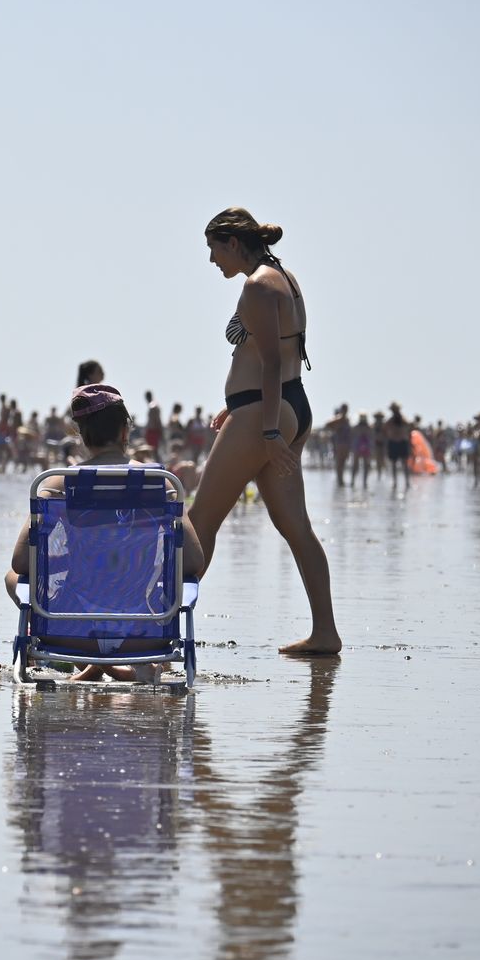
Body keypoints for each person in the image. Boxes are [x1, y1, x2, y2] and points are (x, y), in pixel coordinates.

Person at [186, 207, 339, 656]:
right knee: (296, 527)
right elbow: (272, 355)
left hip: (266, 416)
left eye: (214, 249)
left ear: (233, 243)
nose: (213, 260)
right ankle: (325, 633)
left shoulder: (256, 286)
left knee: (200, 523)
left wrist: (266, 431)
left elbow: (271, 362)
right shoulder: (284, 278)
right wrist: (234, 406)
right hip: (286, 406)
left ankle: (157, 632)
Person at [4, 384, 207, 680]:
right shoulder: (161, 484)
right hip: (145, 633)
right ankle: (119, 667)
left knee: (14, 578)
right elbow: (193, 563)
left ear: (81, 435)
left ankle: (95, 666)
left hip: (69, 632)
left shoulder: (57, 484)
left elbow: (21, 563)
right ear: (126, 431)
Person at [383, 403, 412, 490]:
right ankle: (395, 482)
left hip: (402, 442)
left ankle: (407, 482)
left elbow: (409, 427)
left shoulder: (403, 419)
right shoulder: (390, 420)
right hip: (394, 442)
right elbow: (384, 429)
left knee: (404, 464)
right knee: (394, 464)